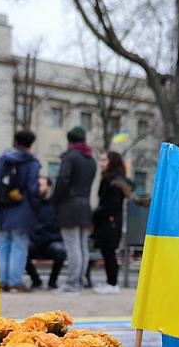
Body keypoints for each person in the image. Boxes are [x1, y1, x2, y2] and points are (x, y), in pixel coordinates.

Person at [0, 129, 41, 292]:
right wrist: (36, 207)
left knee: (3, 244)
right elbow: (33, 188)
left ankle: (2, 280)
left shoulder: (2, 159)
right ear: (31, 144)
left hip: (3, 208)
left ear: (16, 141)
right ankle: (15, 281)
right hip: (22, 209)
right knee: (19, 245)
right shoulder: (31, 163)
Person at [53, 126, 96, 295]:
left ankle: (72, 283)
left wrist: (55, 199)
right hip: (85, 206)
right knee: (82, 246)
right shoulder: (90, 160)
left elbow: (63, 180)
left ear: (69, 141)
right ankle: (80, 280)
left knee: (72, 246)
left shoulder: (70, 157)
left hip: (69, 206)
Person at [92, 151, 134, 294]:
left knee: (109, 252)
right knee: (108, 252)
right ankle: (111, 282)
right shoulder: (113, 180)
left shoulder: (113, 182)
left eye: (104, 160)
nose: (101, 163)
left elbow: (111, 204)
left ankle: (112, 283)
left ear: (111, 162)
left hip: (110, 222)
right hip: (110, 222)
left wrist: (97, 214)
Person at [25, 177, 66, 289]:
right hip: (35, 241)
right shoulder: (32, 204)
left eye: (41, 185)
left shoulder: (57, 205)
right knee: (22, 250)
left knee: (60, 251)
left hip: (51, 241)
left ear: (49, 187)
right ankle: (35, 280)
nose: (37, 188)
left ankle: (52, 282)